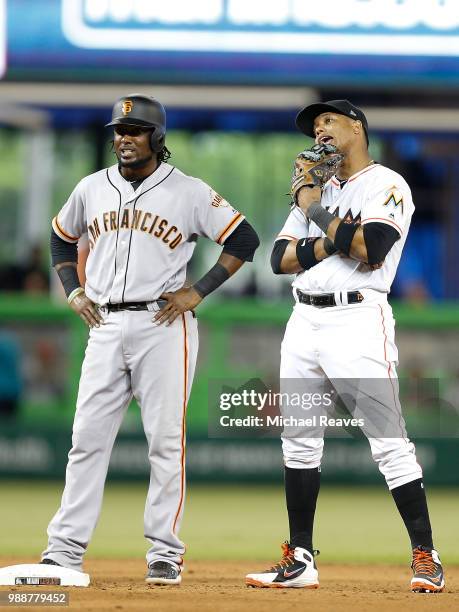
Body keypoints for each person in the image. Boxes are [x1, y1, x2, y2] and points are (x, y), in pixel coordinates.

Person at [43, 93, 259, 585]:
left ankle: (165, 551)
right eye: (119, 131)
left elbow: (243, 238)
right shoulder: (91, 187)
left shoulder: (187, 191)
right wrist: (72, 290)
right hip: (103, 326)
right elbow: (61, 237)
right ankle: (64, 550)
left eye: (135, 130)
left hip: (163, 326)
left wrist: (198, 290)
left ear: (157, 138)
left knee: (165, 443)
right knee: (85, 442)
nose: (123, 138)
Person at [245, 100, 444, 593]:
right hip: (304, 319)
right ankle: (300, 558)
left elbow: (373, 248)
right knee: (299, 442)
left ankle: (426, 556)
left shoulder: (386, 184)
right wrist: (336, 233)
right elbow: (278, 259)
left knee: (388, 443)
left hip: (358, 318)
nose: (320, 132)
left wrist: (314, 210)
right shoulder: (315, 188)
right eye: (315, 127)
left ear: (357, 127)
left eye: (328, 122)